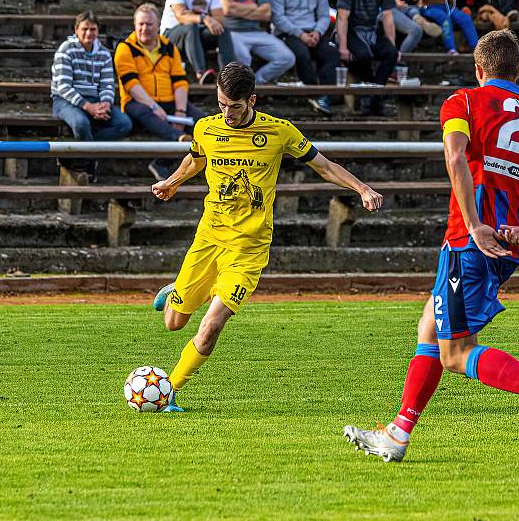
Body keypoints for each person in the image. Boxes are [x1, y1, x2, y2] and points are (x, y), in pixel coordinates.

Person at [343, 29, 519, 462]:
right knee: (430, 329)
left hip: (469, 242)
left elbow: (456, 158)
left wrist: (473, 225)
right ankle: (399, 432)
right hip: (506, 244)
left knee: (455, 353)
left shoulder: (463, 103)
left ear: (479, 70)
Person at [148, 62, 383, 412]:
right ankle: (177, 291)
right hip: (209, 239)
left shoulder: (279, 132)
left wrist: (362, 187)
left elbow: (324, 165)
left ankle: (170, 391)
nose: (227, 113)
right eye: (221, 104)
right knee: (173, 323)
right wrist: (171, 182)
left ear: (252, 100)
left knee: (211, 326)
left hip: (249, 248)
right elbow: (195, 159)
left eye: (235, 106)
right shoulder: (205, 128)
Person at [114, 4, 207, 180]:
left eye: (149, 24)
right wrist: (154, 106)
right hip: (138, 103)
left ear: (158, 26)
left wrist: (180, 111)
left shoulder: (169, 47)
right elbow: (131, 84)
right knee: (146, 112)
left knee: (203, 123)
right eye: (140, 24)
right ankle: (180, 139)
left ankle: (162, 163)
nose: (144, 28)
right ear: (134, 25)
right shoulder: (125, 48)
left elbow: (180, 82)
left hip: (170, 102)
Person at [51, 11, 133, 182]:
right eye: (85, 29)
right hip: (66, 101)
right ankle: (89, 163)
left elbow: (108, 84)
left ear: (98, 31)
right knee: (81, 123)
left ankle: (79, 158)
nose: (89, 33)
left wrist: (105, 104)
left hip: (96, 100)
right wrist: (88, 107)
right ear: (76, 30)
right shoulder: (65, 50)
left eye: (93, 29)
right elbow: (63, 86)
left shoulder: (103, 53)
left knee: (124, 123)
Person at [269, 0, 339, 115]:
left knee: (331, 53)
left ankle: (327, 95)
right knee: (302, 54)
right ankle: (314, 95)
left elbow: (324, 15)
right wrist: (300, 34)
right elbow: (277, 18)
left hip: (313, 32)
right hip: (287, 32)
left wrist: (318, 32)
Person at [336, 0, 399, 116]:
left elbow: (388, 17)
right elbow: (342, 17)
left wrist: (392, 45)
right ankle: (373, 97)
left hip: (372, 30)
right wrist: (343, 47)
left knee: (391, 53)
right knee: (363, 56)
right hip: (351, 30)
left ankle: (374, 96)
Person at [219, 0, 295, 84]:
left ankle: (255, 83)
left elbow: (267, 14)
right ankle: (243, 91)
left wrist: (237, 9)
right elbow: (227, 9)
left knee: (287, 58)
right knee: (243, 60)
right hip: (233, 32)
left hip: (257, 32)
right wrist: (254, 6)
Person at [159, 0, 235, 84]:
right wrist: (203, 18)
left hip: (197, 35)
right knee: (191, 26)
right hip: (170, 36)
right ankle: (201, 73)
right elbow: (181, 16)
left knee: (222, 30)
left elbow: (219, 18)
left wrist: (195, 16)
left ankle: (228, 76)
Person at [413, 0, 478, 54]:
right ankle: (451, 50)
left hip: (445, 6)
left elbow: (452, 1)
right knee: (445, 19)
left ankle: (476, 50)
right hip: (428, 7)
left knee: (465, 19)